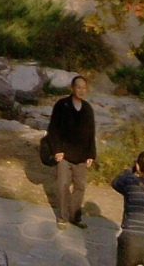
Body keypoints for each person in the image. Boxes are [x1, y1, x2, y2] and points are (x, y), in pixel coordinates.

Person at [45, 75, 96, 228]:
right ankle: (62, 217)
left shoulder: (87, 108)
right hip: (64, 155)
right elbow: (53, 129)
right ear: (72, 88)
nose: (81, 90)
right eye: (78, 87)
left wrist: (91, 154)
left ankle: (75, 215)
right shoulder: (62, 105)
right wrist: (56, 151)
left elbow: (91, 133)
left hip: (81, 155)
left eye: (84, 88)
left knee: (80, 187)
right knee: (63, 185)